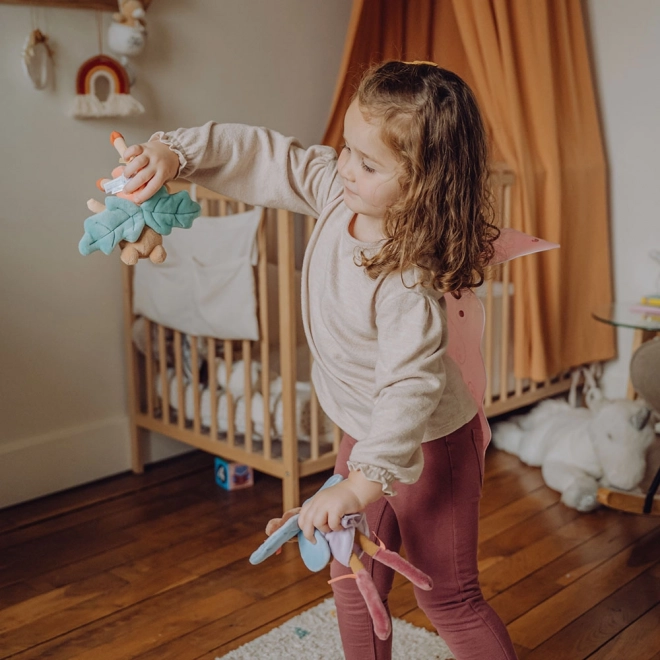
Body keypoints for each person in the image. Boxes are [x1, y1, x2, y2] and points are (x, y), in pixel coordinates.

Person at [121, 60, 517, 660]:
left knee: (450, 599)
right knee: (352, 582)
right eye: (346, 147)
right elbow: (262, 156)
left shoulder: (409, 280)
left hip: (429, 446)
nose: (344, 167)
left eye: (368, 162)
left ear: (424, 184)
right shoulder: (338, 190)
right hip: (362, 435)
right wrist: (176, 154)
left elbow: (410, 389)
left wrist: (361, 483)